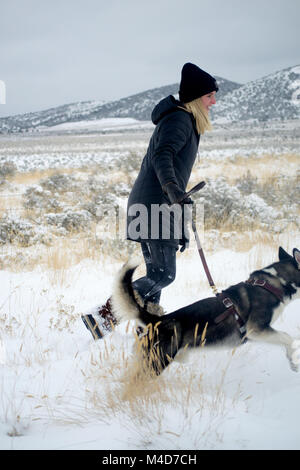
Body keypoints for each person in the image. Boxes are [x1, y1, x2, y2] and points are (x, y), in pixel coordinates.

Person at [82, 62, 218, 339]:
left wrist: (178, 205)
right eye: (209, 96)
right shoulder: (180, 119)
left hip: (159, 202)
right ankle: (104, 316)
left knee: (158, 273)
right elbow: (162, 156)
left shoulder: (186, 121)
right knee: (164, 274)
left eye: (214, 95)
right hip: (154, 203)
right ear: (195, 97)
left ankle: (150, 331)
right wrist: (171, 188)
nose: (214, 101)